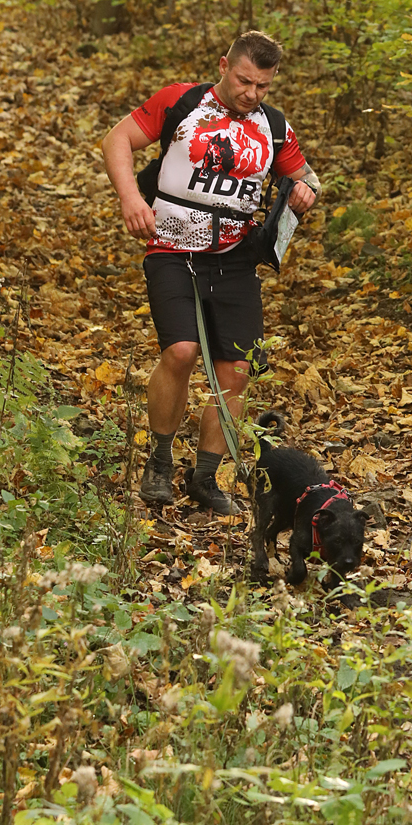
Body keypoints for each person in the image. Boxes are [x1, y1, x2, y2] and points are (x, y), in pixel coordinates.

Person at [102, 30, 319, 514]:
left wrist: (306, 190)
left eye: (263, 86)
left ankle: (205, 477)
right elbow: (117, 138)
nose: (252, 93)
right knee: (181, 351)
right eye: (244, 81)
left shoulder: (273, 126)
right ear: (224, 65)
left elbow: (306, 177)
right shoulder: (181, 101)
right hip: (172, 247)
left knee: (236, 373)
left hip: (236, 257)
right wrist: (131, 199)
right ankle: (159, 462)